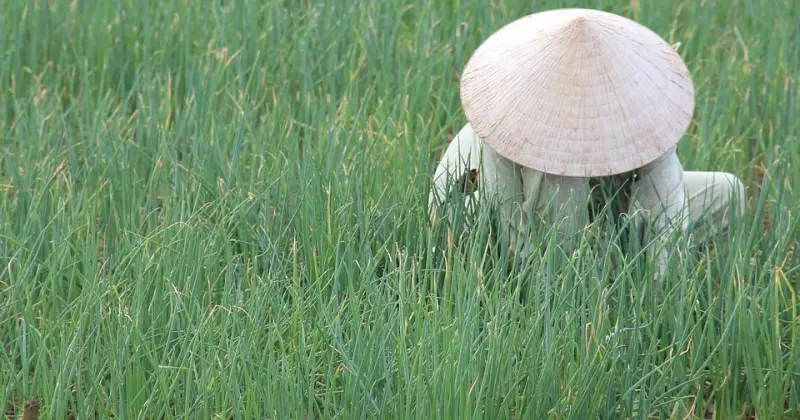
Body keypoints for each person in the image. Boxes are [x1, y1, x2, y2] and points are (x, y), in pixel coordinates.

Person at [429, 8, 746, 275]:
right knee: (564, 182)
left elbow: (667, 213)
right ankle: (577, 274)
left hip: (593, 211)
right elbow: (509, 222)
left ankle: (608, 268)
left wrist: (658, 297)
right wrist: (550, 303)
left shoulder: (641, 112)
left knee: (727, 191)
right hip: (478, 214)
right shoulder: (511, 119)